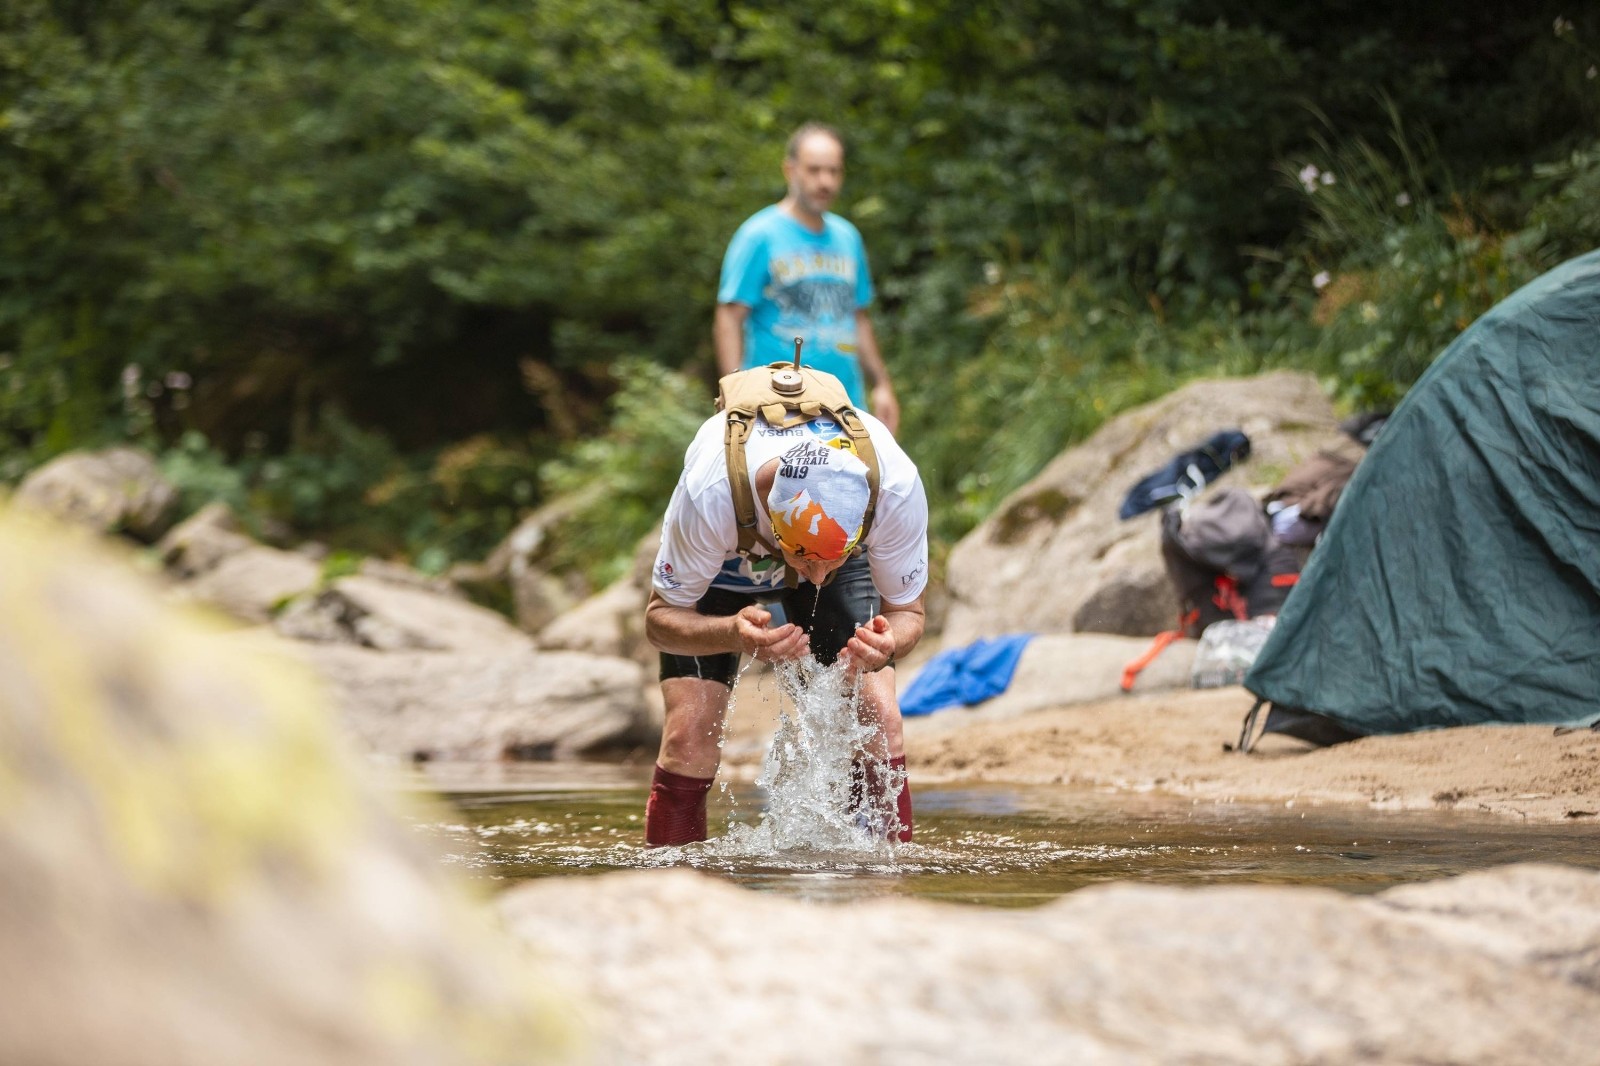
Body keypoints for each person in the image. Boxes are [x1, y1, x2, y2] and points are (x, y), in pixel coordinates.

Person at [643, 365, 929, 847]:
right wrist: (730, 632)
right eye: (805, 559)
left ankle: (884, 887)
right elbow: (659, 621)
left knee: (880, 718)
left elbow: (910, 613)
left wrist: (888, 641)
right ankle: (671, 888)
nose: (816, 579)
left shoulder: (895, 488)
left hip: (820, 544)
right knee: (689, 736)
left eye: (831, 561)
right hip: (723, 565)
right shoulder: (711, 493)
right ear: (772, 522)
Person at [714, 122, 900, 433]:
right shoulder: (758, 236)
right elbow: (729, 317)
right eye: (814, 170)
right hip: (776, 410)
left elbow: (858, 317)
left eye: (834, 171)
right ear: (790, 170)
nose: (825, 181)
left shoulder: (848, 237)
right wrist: (734, 397)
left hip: (846, 407)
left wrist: (881, 384)